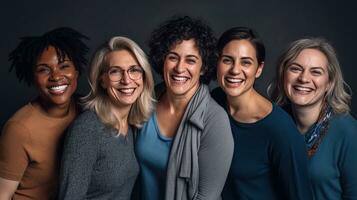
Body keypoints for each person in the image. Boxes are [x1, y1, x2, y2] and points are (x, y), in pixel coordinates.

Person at [135, 16, 234, 200]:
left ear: (203, 68)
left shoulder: (214, 119)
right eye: (173, 57)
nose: (179, 68)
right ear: (162, 60)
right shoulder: (146, 101)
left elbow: (207, 197)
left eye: (191, 60)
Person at [211, 27, 313, 200]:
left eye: (246, 62)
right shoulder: (213, 102)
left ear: (259, 69)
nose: (235, 70)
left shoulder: (280, 130)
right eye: (227, 60)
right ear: (217, 63)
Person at [57, 36, 154, 200]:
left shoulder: (131, 126)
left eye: (134, 70)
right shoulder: (87, 128)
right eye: (115, 71)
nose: (126, 80)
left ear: (144, 78)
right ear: (102, 80)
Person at [0, 27, 89, 199]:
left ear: (76, 72)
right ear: (32, 77)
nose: (56, 76)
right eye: (44, 69)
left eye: (64, 66)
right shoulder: (19, 129)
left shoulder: (85, 109)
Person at [269, 38, 357, 200]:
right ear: (283, 75)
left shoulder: (348, 132)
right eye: (295, 69)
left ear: (329, 83)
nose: (303, 78)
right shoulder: (274, 124)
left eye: (316, 72)